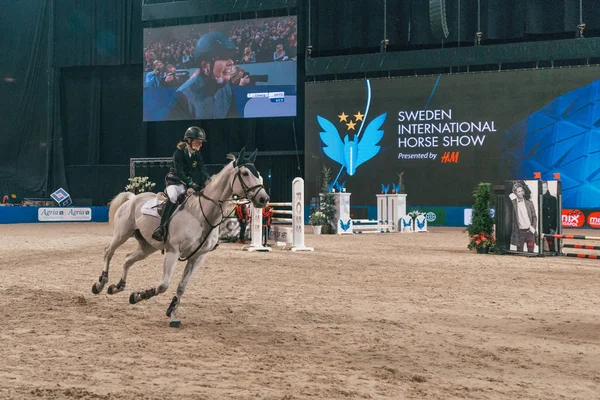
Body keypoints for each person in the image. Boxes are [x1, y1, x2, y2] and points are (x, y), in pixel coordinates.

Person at [152, 126, 210, 242]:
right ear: (189, 140)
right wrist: (191, 183)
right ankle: (161, 228)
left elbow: (202, 168)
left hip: (184, 183)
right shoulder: (178, 153)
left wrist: (208, 179)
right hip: (173, 181)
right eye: (198, 141)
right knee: (173, 198)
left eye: (201, 142)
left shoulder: (196, 154)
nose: (200, 144)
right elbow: (180, 172)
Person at [167, 32, 238, 120]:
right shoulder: (183, 98)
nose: (231, 62)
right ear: (205, 66)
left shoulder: (227, 90)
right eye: (223, 57)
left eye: (231, 57)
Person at [509, 182, 537, 253]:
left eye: (522, 191)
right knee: (520, 253)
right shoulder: (513, 204)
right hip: (520, 232)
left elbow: (534, 216)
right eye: (518, 191)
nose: (521, 193)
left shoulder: (529, 203)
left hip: (530, 231)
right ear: (515, 193)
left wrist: (533, 228)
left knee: (531, 252)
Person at [541, 181, 558, 252]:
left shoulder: (552, 199)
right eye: (541, 187)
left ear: (547, 187)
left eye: (544, 187)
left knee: (550, 242)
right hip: (540, 223)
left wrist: (553, 227)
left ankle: (552, 251)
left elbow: (554, 213)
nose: (543, 189)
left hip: (548, 224)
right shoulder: (536, 198)